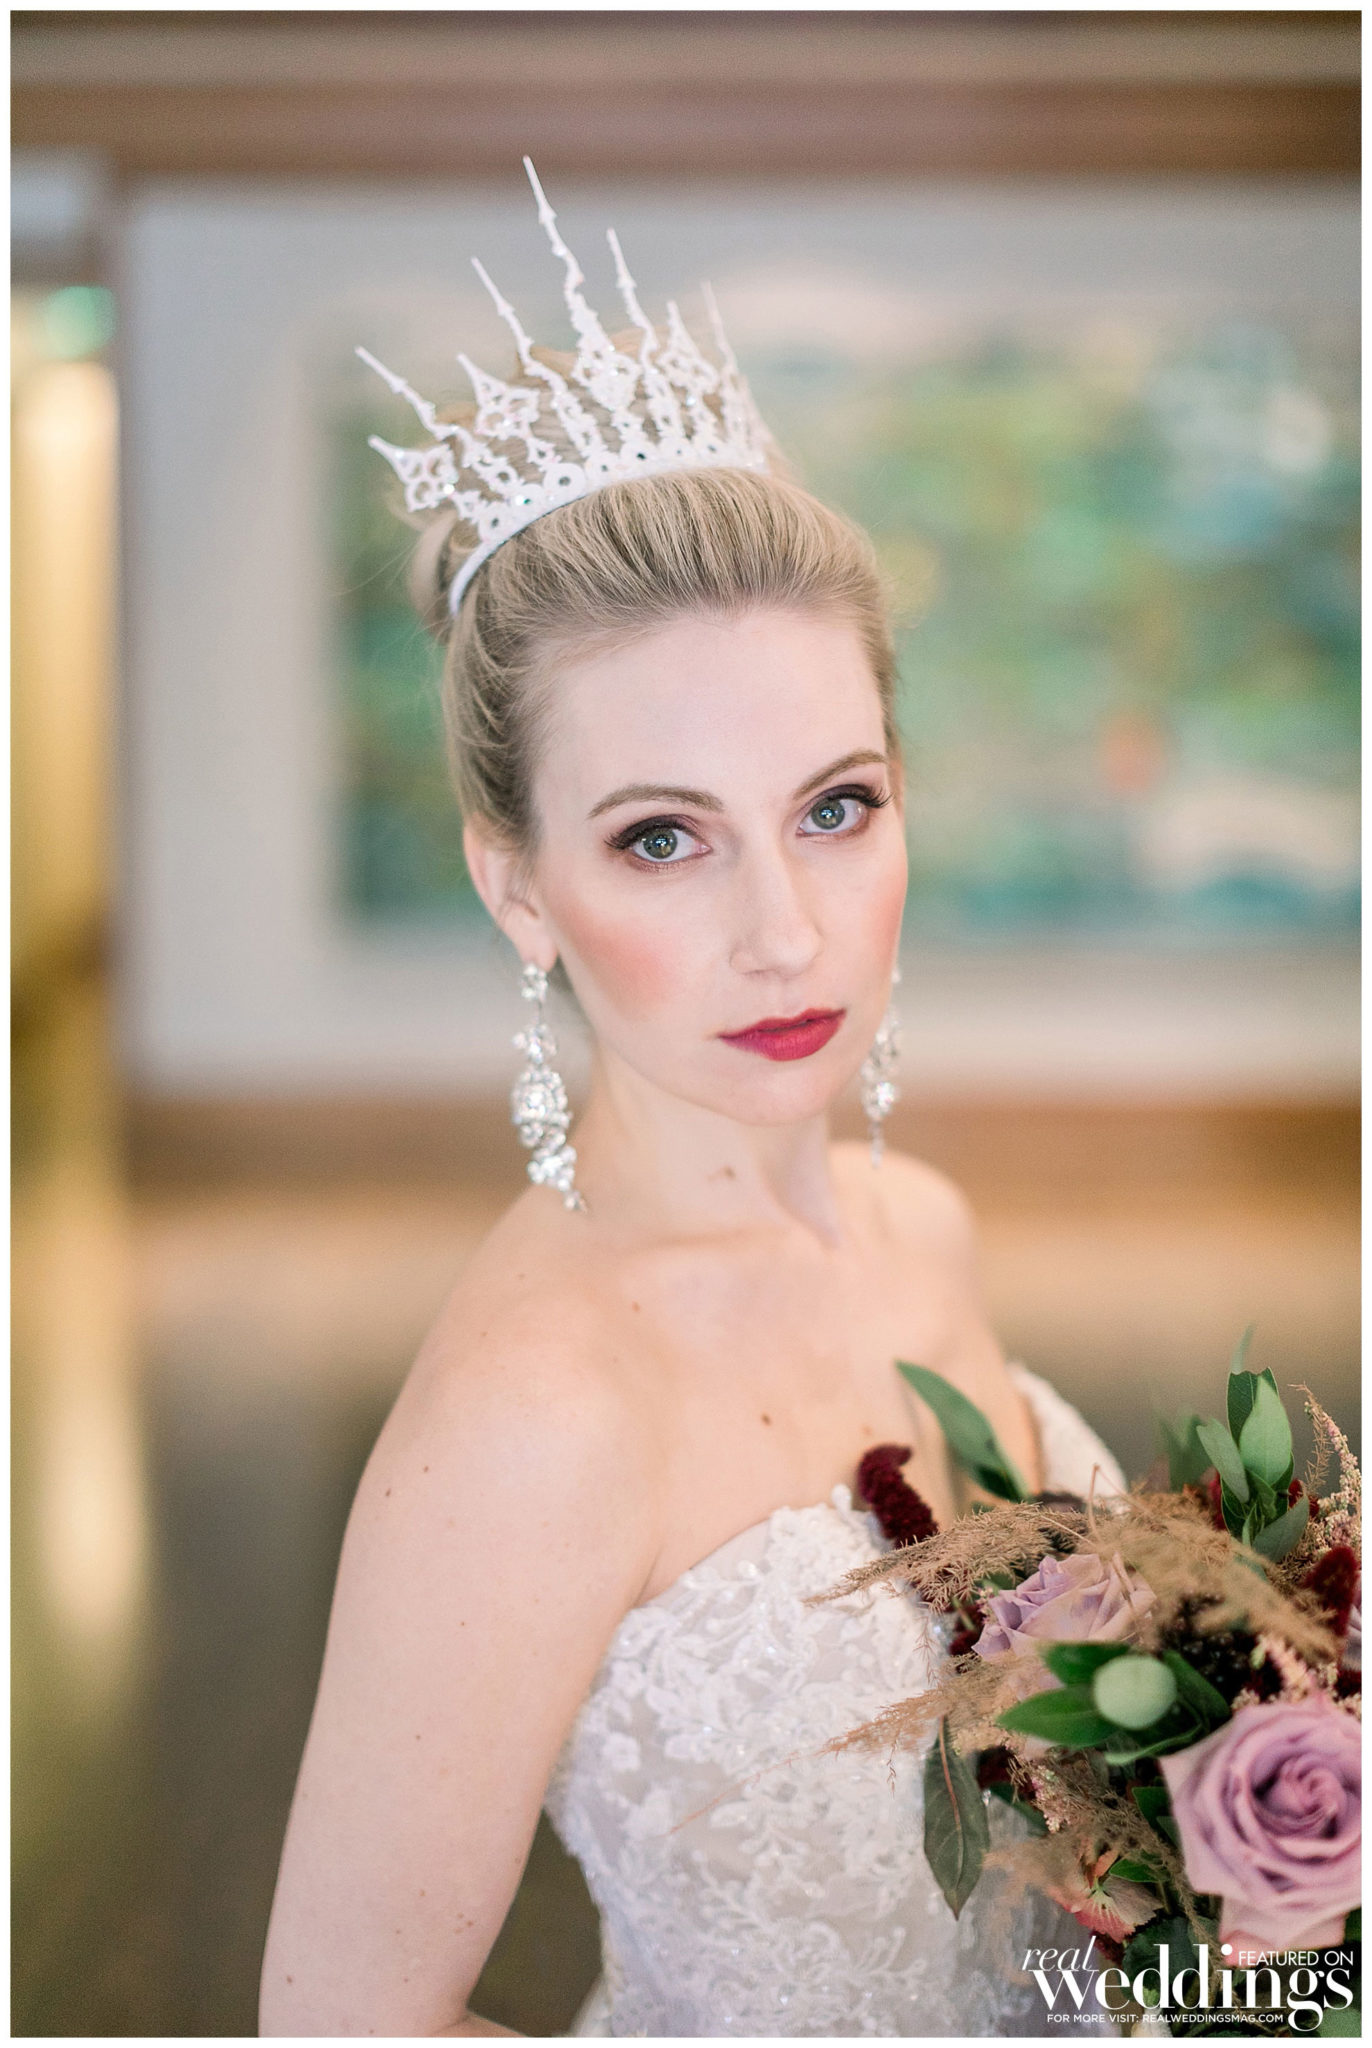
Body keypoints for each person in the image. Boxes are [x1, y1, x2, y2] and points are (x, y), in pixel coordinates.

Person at [259, 169, 1125, 2039]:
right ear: (518, 886)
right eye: (664, 838)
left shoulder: (924, 1227)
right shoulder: (537, 1417)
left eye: (837, 808)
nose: (786, 931)